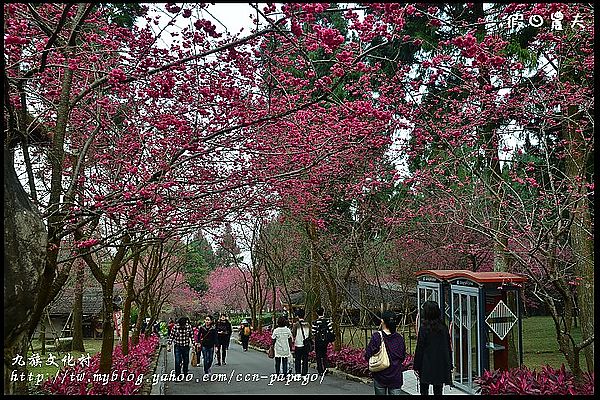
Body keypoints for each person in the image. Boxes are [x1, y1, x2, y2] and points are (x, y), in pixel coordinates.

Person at [413, 301, 453, 396]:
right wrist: (449, 364)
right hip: (440, 364)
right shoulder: (443, 327)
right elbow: (448, 347)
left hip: (426, 364)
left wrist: (416, 366)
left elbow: (420, 348)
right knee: (438, 390)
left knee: (424, 389)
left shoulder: (424, 328)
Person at [364, 310, 406, 395]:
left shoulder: (377, 337)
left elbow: (368, 354)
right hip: (395, 376)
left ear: (382, 321)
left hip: (380, 375)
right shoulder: (399, 338)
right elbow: (402, 356)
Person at [312, 306, 335, 376]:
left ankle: (320, 370)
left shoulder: (315, 322)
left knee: (318, 355)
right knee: (324, 354)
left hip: (318, 341)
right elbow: (331, 330)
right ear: (323, 312)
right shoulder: (327, 321)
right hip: (325, 341)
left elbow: (313, 332)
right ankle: (325, 368)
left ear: (317, 313)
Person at [291, 309, 312, 376]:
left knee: (298, 359)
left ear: (298, 316)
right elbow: (310, 334)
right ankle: (304, 373)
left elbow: (293, 334)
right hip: (306, 345)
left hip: (298, 344)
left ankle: (298, 372)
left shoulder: (296, 325)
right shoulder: (308, 324)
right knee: (305, 359)